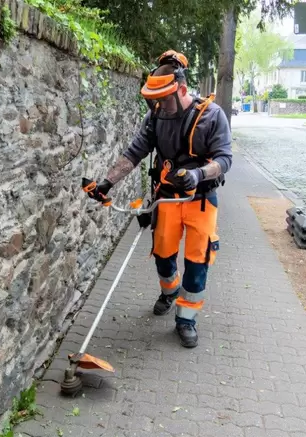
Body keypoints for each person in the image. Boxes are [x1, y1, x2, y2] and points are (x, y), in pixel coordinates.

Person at [84, 50, 233, 348]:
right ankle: (169, 291)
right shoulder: (155, 117)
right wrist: (107, 182)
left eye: (164, 99)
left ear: (181, 89)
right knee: (164, 254)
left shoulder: (212, 116)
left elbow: (224, 159)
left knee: (197, 262)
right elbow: (134, 152)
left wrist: (198, 174)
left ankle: (186, 319)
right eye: (155, 100)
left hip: (200, 201)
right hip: (165, 200)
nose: (159, 106)